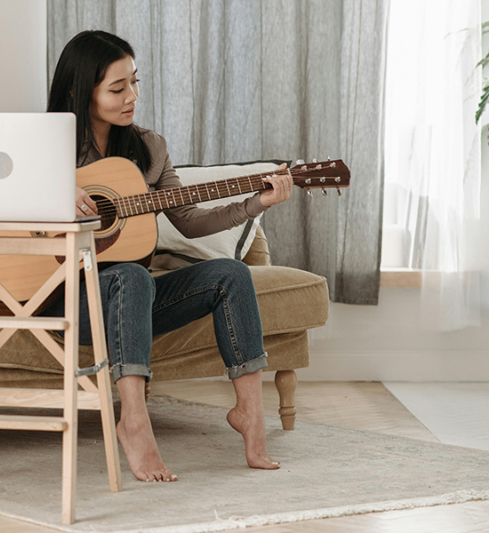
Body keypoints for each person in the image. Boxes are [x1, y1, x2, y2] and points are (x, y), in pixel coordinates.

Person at [44, 30, 293, 483]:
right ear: (80, 92)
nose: (132, 96)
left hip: (129, 303)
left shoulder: (150, 149)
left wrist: (258, 202)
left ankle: (250, 414)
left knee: (231, 274)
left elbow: (191, 221)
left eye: (135, 83)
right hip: (64, 299)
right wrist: (53, 188)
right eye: (118, 88)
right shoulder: (41, 149)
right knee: (131, 276)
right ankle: (134, 422)